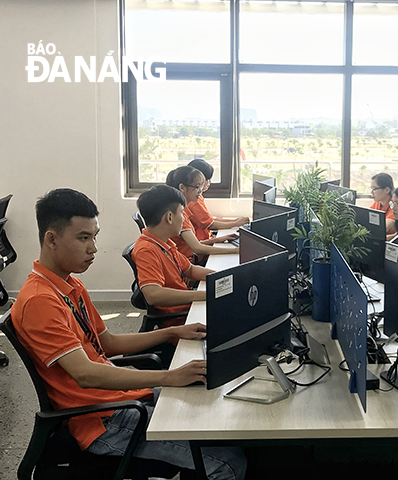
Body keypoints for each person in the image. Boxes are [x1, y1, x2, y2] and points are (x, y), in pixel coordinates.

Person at [11, 188, 246, 479]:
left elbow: (108, 344)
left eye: (94, 237)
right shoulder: (39, 300)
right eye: (83, 238)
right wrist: (168, 377)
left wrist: (175, 331)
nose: (93, 248)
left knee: (212, 406)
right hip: (103, 421)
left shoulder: (69, 286)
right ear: (51, 239)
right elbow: (86, 374)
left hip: (119, 400)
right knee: (228, 463)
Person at [133, 184, 217, 319]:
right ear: (170, 217)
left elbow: (190, 270)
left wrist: (222, 277)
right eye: (182, 213)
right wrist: (206, 295)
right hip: (180, 318)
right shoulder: (146, 250)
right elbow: (153, 295)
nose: (184, 219)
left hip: (190, 306)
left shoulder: (165, 242)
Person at [166, 166, 238, 259]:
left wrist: (218, 239)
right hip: (186, 263)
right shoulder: (178, 214)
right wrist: (235, 251)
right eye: (197, 187)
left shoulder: (183, 209)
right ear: (182, 188)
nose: (200, 190)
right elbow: (197, 248)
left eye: (201, 186)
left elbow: (192, 244)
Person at [186, 159, 249, 241]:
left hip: (204, 240)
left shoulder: (198, 196)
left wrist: (234, 221)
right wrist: (235, 223)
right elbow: (210, 224)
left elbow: (209, 220)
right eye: (206, 180)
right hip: (200, 243)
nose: (209, 183)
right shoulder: (193, 200)